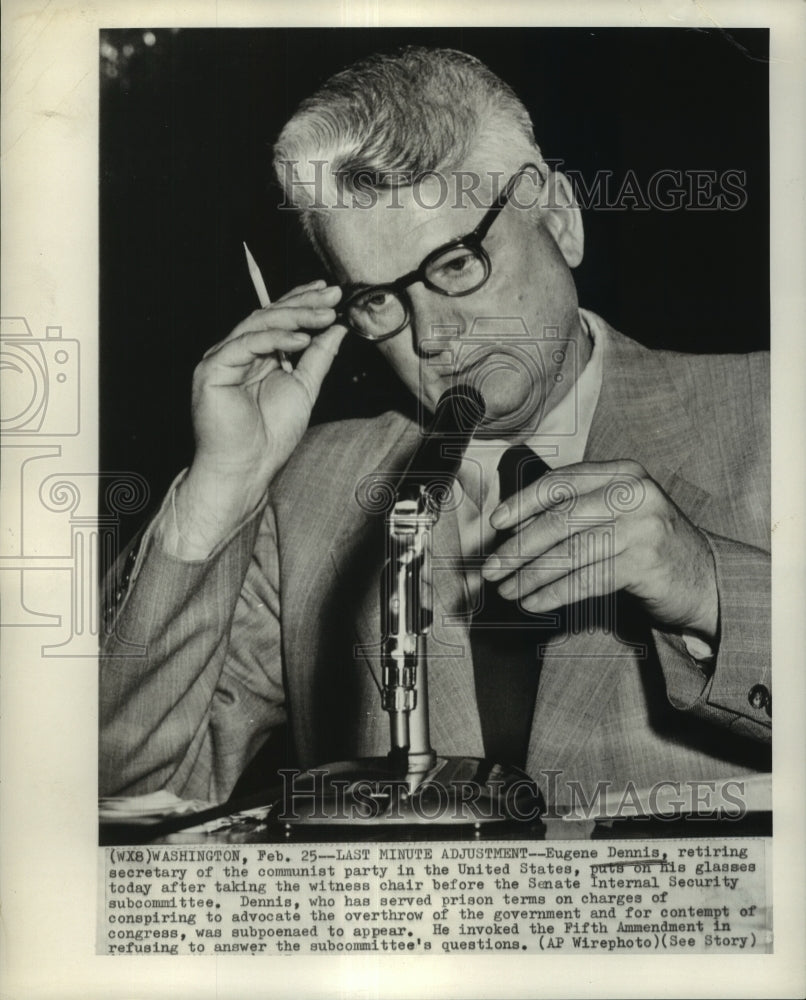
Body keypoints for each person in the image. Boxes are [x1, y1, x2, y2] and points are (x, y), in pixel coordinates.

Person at [99, 47, 770, 809]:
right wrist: (221, 491)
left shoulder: (773, 409)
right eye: (379, 300)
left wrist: (709, 588)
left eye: (454, 264)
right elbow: (118, 791)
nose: (431, 337)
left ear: (558, 219)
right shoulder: (306, 495)